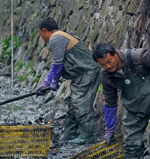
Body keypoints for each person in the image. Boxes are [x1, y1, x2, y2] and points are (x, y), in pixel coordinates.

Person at [35, 17, 101, 145]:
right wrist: (46, 83)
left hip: (87, 72)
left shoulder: (55, 38)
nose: (42, 37)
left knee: (80, 102)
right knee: (73, 103)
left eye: (41, 34)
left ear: (44, 31)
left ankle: (86, 135)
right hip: (81, 74)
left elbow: (58, 63)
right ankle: (69, 133)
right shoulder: (61, 36)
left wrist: (53, 81)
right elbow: (58, 64)